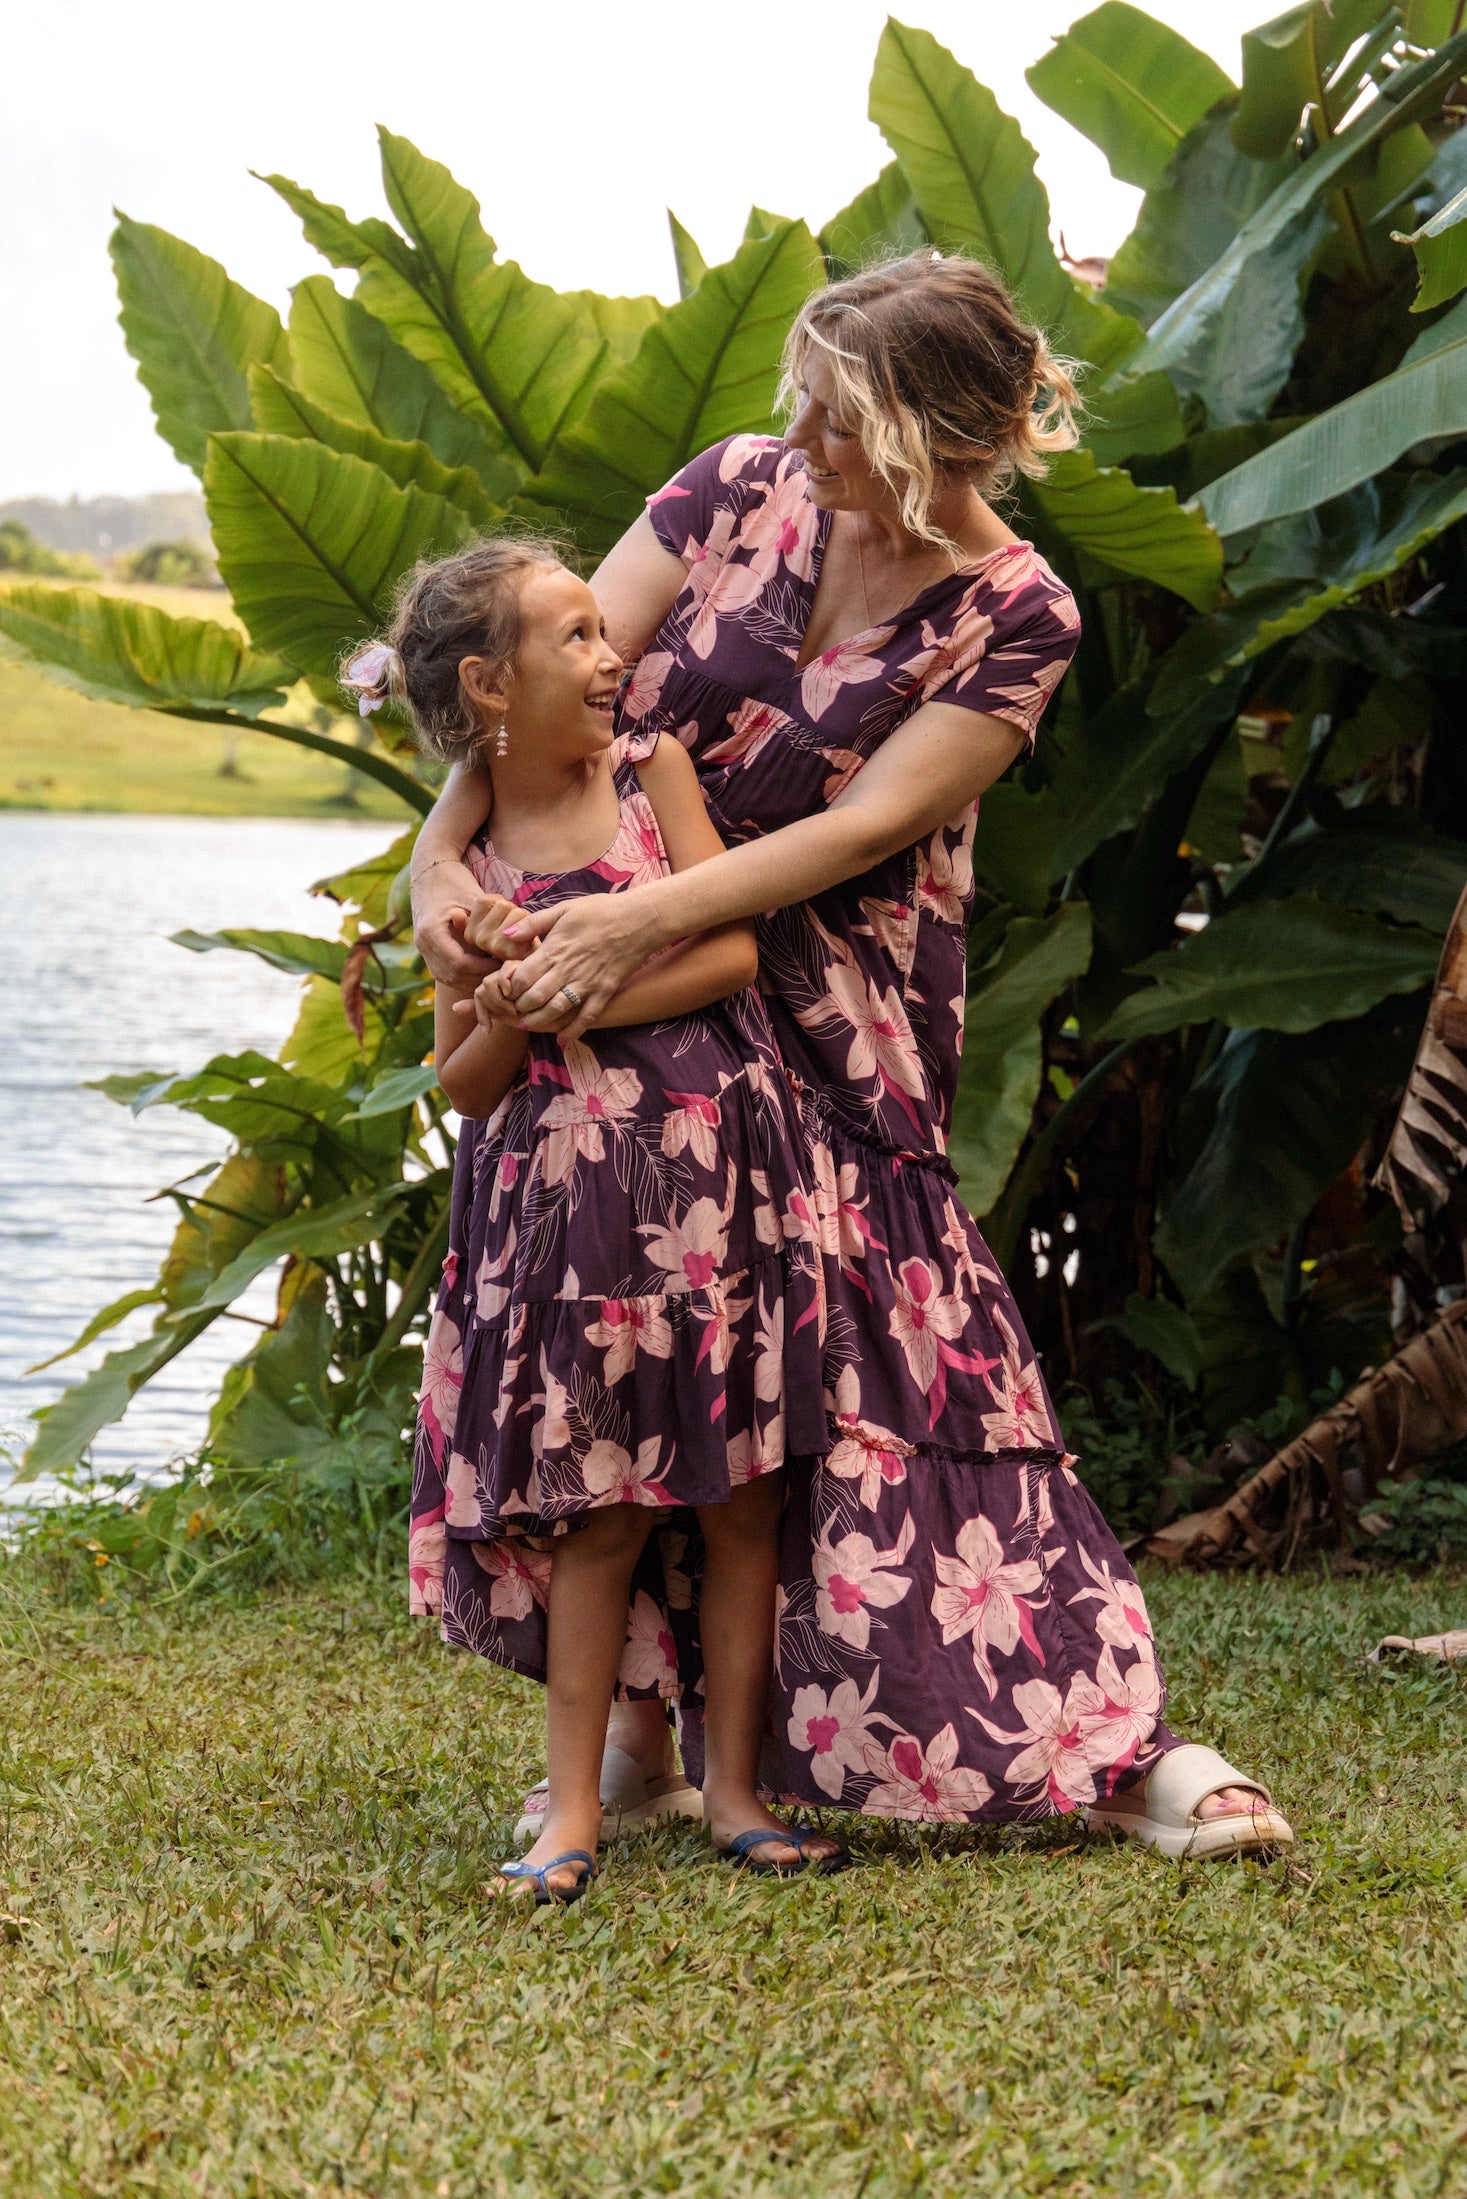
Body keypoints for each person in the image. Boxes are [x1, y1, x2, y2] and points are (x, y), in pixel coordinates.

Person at [412, 252, 1294, 1861]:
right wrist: (436, 877)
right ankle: (661, 1739)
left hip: (827, 1015)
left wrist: (640, 923)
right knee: (674, 1351)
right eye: (804, 403)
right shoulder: (732, 492)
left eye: (835, 415)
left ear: (944, 437)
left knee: (911, 1376)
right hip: (640, 1021)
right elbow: (531, 716)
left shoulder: (1020, 611)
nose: (795, 433)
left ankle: (1119, 1744)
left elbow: (872, 824)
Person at [362, 538, 842, 1901]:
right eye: (572, 637)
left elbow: (737, 948)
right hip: (567, 1225)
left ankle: (734, 1788)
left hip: (713, 1189)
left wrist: (584, 990)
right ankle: (571, 1809)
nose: (611, 654)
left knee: (745, 1494)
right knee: (598, 1512)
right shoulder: (472, 866)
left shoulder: (651, 776)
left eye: (599, 628)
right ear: (489, 687)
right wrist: (503, 1008)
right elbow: (463, 1083)